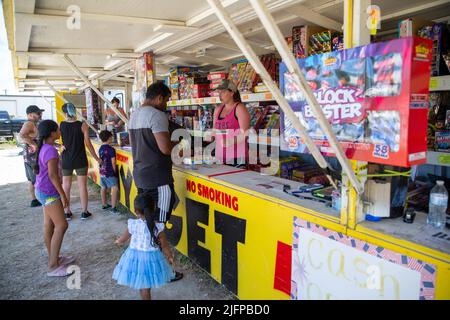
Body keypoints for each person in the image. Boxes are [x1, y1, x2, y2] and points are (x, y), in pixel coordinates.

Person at [128, 81, 183, 282]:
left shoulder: (134, 115)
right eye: (166, 100)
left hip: (141, 176)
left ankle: (157, 268)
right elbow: (166, 148)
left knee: (151, 223)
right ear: (159, 98)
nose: (166, 104)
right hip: (159, 179)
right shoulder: (156, 115)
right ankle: (164, 270)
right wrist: (180, 143)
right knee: (158, 227)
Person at [112, 194, 174, 300]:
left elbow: (123, 239)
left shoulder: (133, 224)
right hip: (151, 260)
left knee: (142, 285)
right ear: (154, 208)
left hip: (134, 259)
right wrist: (169, 257)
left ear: (136, 211)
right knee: (145, 287)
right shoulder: (158, 227)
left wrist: (118, 241)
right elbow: (165, 245)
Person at [34, 120, 75, 277]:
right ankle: (52, 266)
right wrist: (63, 194)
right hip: (49, 193)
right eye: (58, 130)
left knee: (49, 224)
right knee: (62, 225)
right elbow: (52, 175)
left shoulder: (44, 147)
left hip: (42, 191)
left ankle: (54, 257)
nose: (60, 132)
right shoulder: (50, 150)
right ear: (52, 133)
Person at [60, 102, 101, 220]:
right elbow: (88, 144)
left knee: (66, 186)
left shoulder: (61, 125)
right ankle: (84, 212)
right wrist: (97, 158)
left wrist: (59, 146)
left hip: (66, 159)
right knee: (82, 186)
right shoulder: (82, 125)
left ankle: (66, 212)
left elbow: (53, 140)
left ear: (64, 112)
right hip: (80, 159)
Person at [213, 79, 251, 166]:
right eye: (219, 92)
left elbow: (246, 133)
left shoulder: (239, 108)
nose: (220, 95)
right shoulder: (218, 109)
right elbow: (215, 130)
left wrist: (231, 141)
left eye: (223, 92)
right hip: (220, 157)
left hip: (236, 158)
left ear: (232, 93)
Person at [19, 105, 45, 207]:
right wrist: (33, 144)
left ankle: (34, 200)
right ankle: (39, 198)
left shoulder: (33, 123)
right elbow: (21, 135)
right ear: (30, 115)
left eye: (40, 113)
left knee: (32, 179)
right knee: (37, 177)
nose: (40, 115)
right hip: (32, 156)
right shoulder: (29, 123)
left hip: (30, 155)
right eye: (38, 113)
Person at [98, 130, 119, 214]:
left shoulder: (100, 148)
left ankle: (104, 204)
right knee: (114, 187)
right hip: (109, 171)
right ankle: (113, 208)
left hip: (102, 172)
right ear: (109, 138)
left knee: (103, 187)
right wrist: (114, 171)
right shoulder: (111, 149)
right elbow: (113, 162)